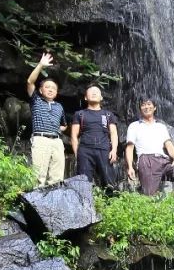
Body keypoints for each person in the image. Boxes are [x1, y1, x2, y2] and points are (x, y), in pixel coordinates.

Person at [124, 98, 174, 199]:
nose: (146, 107)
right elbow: (130, 148)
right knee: (149, 195)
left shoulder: (161, 126)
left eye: (149, 104)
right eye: (143, 105)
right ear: (140, 108)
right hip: (147, 161)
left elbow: (168, 144)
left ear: (155, 107)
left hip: (163, 161)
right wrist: (130, 167)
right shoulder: (134, 126)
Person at [25, 50, 67, 187]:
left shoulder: (60, 106)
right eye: (47, 87)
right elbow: (30, 82)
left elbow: (64, 125)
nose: (50, 89)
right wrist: (40, 65)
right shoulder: (36, 100)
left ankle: (54, 206)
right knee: (38, 177)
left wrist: (56, 129)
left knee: (57, 178)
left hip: (57, 141)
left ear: (57, 92)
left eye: (53, 88)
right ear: (41, 90)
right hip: (41, 139)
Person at [71, 85, 119, 189]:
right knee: (83, 180)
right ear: (85, 97)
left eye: (96, 91)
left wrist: (114, 150)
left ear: (101, 97)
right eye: (91, 91)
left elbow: (113, 133)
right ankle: (84, 203)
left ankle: (111, 202)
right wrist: (77, 154)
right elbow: (74, 136)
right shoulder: (79, 114)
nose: (94, 93)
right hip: (85, 150)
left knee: (108, 179)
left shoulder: (108, 114)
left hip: (104, 149)